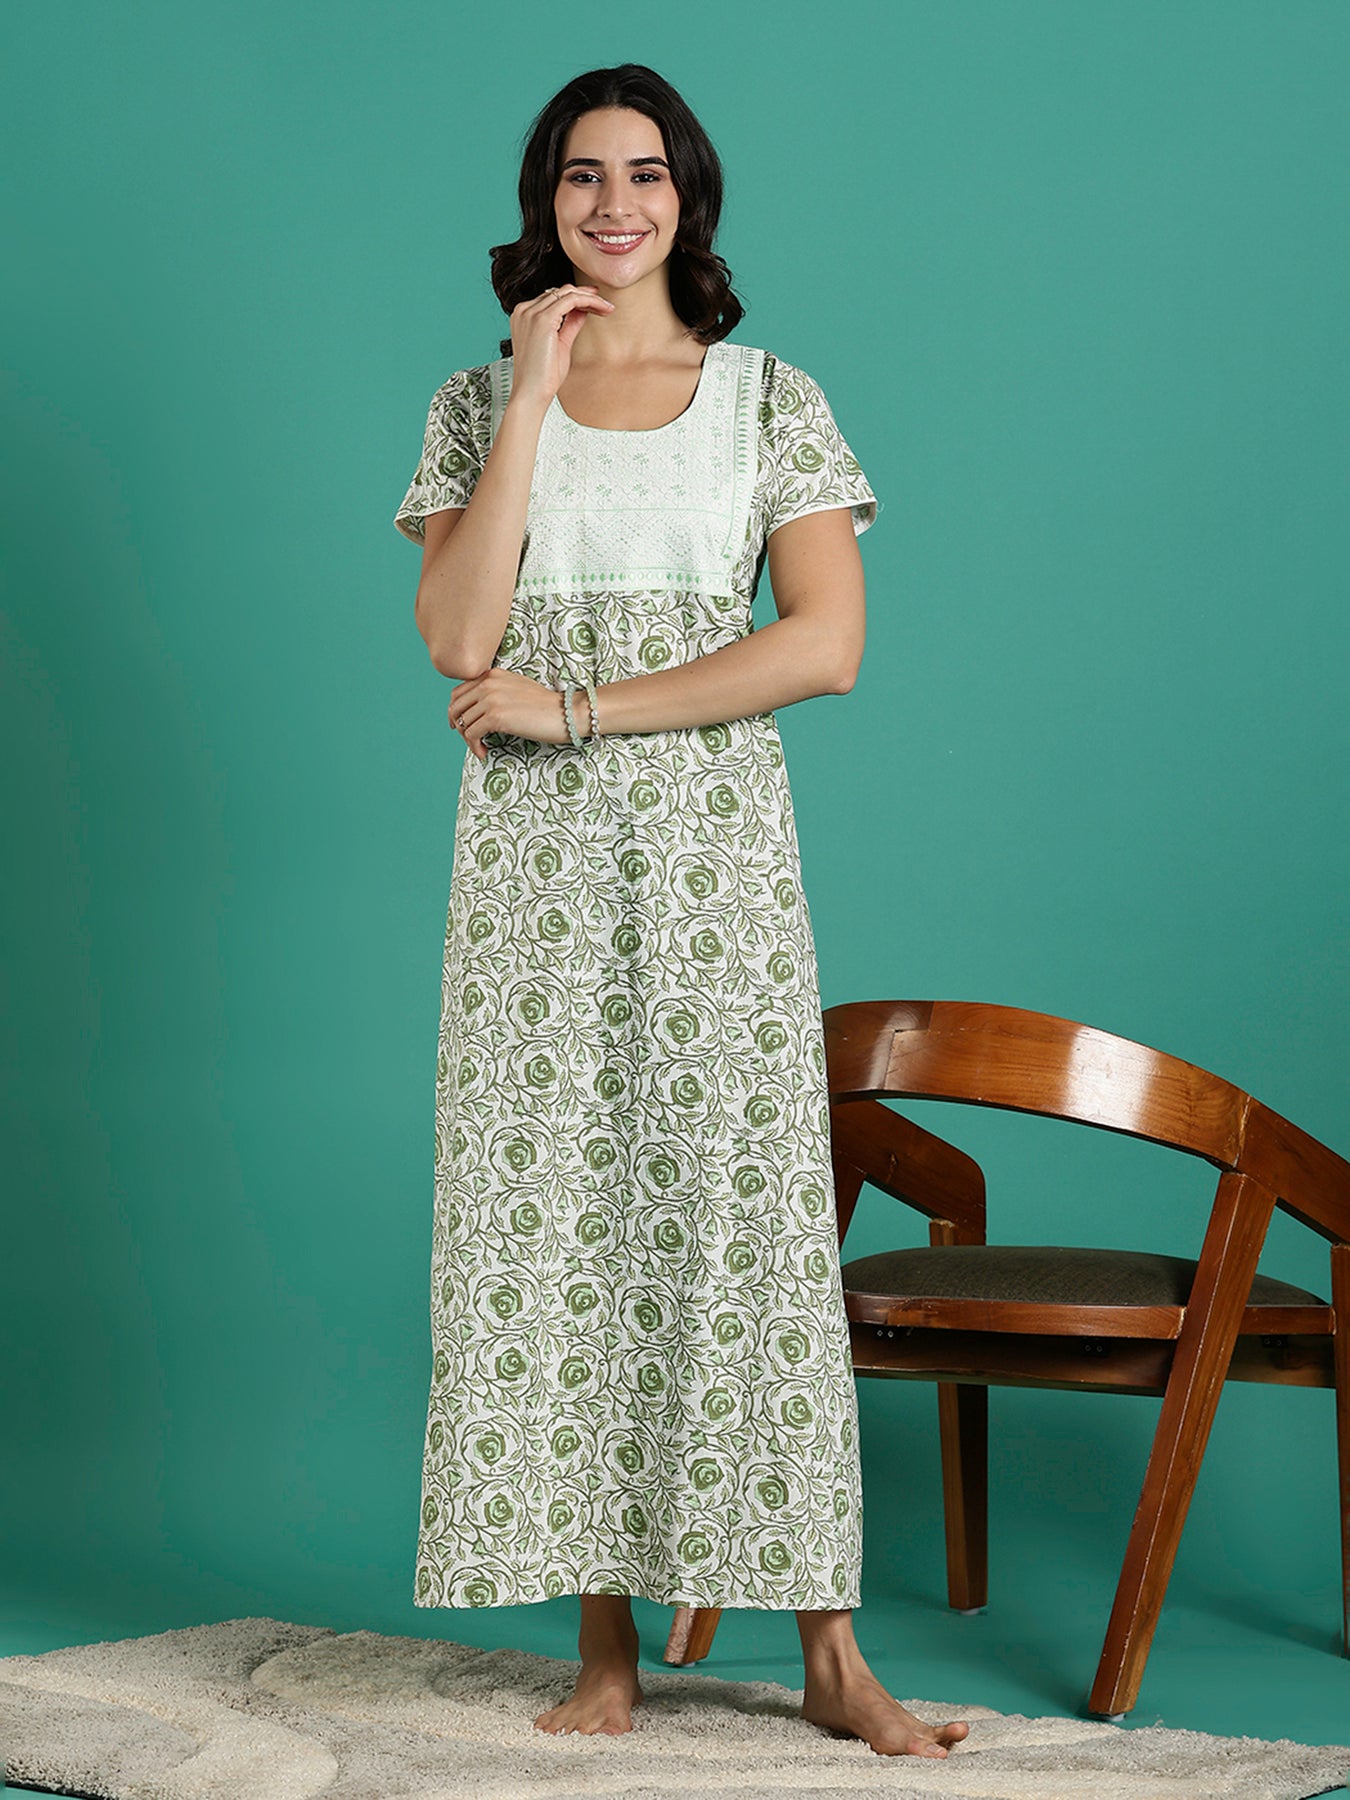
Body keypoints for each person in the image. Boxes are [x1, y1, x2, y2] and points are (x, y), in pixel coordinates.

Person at [393, 62, 969, 1761]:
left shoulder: (769, 399)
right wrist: (528, 396)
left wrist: (578, 708)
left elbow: (824, 645)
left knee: (746, 1229)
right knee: (557, 1225)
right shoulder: (470, 401)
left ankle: (830, 1655)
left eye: (644, 173)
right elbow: (456, 635)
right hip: (533, 883)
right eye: (582, 175)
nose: (614, 204)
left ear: (687, 197)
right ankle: (605, 1649)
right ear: (543, 201)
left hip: (712, 864)